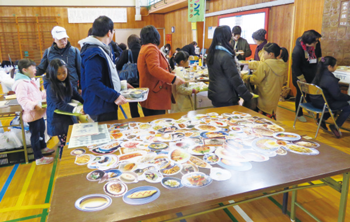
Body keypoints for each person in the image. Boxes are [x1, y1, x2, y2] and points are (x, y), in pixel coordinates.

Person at [79, 16, 127, 122]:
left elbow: (105, 75)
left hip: (103, 105)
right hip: (100, 108)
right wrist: (115, 96)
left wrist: (120, 84)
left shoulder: (100, 49)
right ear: (109, 33)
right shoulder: (93, 52)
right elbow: (93, 83)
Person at [12, 59, 55, 165]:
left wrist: (47, 94)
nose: (35, 69)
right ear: (24, 69)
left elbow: (37, 94)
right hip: (32, 114)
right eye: (33, 67)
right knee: (35, 136)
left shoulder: (29, 80)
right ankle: (38, 157)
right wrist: (34, 105)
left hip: (38, 114)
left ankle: (43, 147)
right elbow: (22, 100)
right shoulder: (21, 83)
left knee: (41, 131)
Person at [137, 25, 185, 116]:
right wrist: (173, 78)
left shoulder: (145, 47)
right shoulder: (151, 48)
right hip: (155, 95)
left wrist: (169, 73)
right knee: (158, 125)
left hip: (151, 93)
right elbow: (154, 69)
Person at [45, 59, 84, 158]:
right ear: (53, 73)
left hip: (67, 116)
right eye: (58, 74)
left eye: (64, 72)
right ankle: (64, 161)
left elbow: (75, 95)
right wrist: (78, 110)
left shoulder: (68, 82)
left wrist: (85, 103)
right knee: (65, 142)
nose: (62, 76)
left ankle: (70, 158)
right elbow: (59, 104)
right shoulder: (50, 87)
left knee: (70, 139)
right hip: (57, 120)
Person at [207, 25, 252, 107]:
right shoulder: (225, 56)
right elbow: (234, 78)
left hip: (215, 94)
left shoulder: (212, 53)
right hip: (226, 96)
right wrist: (247, 95)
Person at [242, 43, 288, 120]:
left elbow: (256, 79)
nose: (263, 55)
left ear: (271, 54)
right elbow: (284, 81)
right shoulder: (282, 65)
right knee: (270, 118)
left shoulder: (265, 64)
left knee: (261, 120)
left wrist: (245, 77)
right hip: (274, 97)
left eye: (264, 53)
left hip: (263, 96)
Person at [310, 56, 350, 138]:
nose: (336, 66)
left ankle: (322, 119)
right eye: (335, 65)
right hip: (322, 103)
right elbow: (337, 96)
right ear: (329, 66)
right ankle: (335, 126)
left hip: (314, 100)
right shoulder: (330, 79)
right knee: (347, 107)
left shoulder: (319, 74)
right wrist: (348, 97)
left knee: (335, 103)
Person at [292, 30, 322, 122]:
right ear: (307, 43)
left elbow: (319, 55)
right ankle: (299, 113)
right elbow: (295, 67)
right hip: (299, 74)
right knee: (300, 93)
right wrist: (302, 79)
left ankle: (309, 109)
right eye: (314, 42)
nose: (316, 43)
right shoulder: (297, 51)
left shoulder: (316, 43)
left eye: (316, 41)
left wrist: (319, 68)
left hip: (312, 71)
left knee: (311, 92)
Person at [117, 34, 141, 118]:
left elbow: (118, 66)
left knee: (133, 109)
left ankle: (136, 124)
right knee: (146, 108)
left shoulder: (127, 52)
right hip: (143, 83)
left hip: (131, 84)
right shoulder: (144, 51)